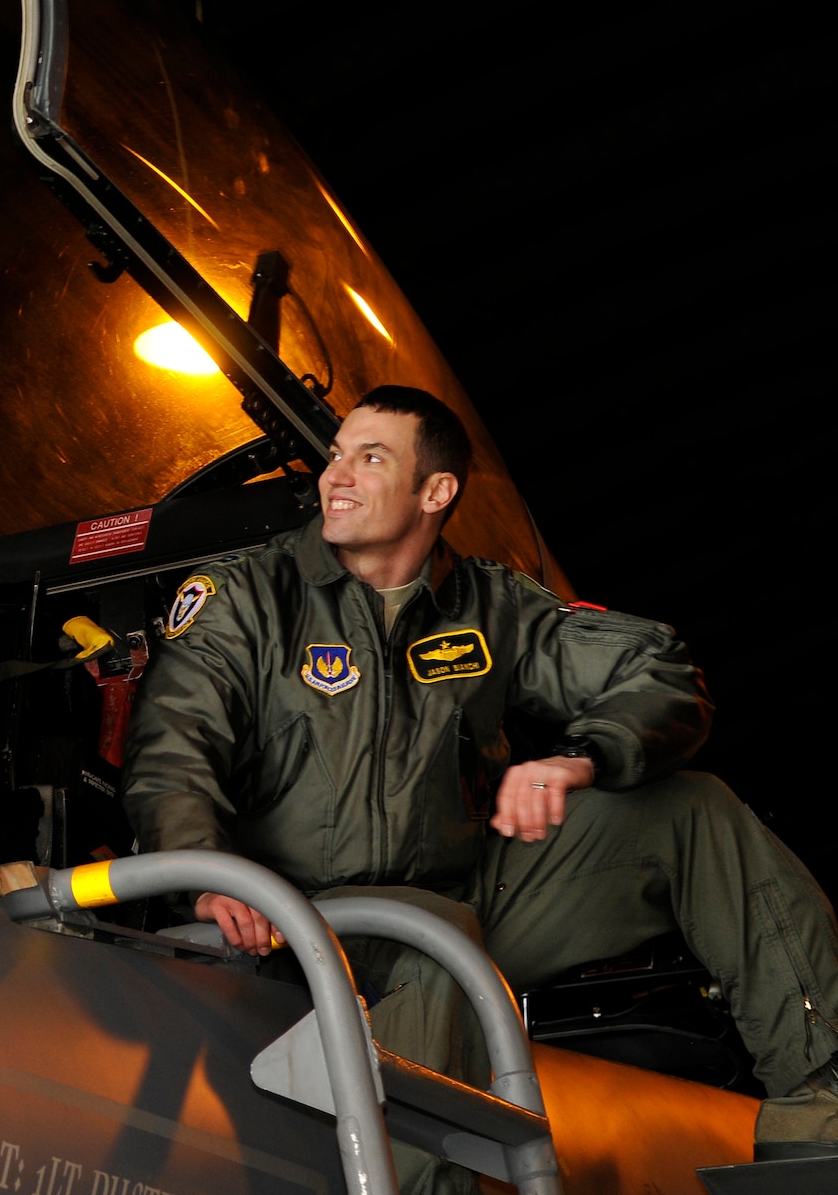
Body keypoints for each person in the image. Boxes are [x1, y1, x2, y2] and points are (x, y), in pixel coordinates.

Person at [123, 384, 838, 1187]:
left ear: (436, 493)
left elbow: (662, 671)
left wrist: (580, 758)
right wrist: (206, 876)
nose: (337, 477)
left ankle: (822, 1114)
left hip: (466, 897)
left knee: (690, 807)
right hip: (297, 914)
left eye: (371, 457)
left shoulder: (491, 605)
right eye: (335, 455)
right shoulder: (249, 598)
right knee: (429, 931)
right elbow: (171, 748)